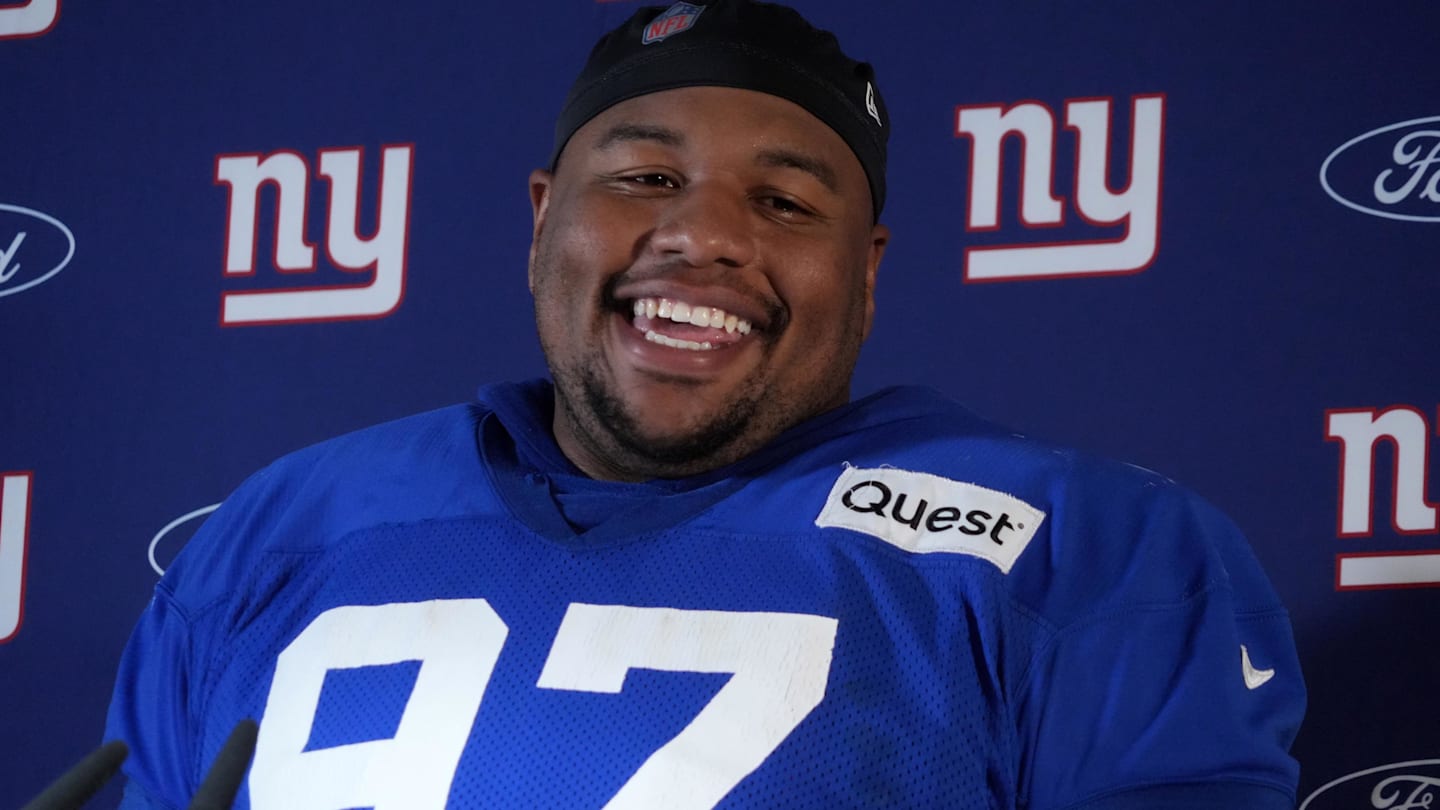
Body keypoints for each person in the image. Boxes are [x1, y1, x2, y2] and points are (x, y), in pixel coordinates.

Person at [104, 1, 1305, 808]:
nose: (704, 236)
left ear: (871, 268)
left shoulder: (1090, 550)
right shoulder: (283, 529)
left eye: (786, 204)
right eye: (644, 178)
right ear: (539, 221)